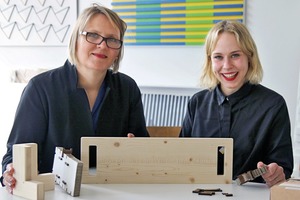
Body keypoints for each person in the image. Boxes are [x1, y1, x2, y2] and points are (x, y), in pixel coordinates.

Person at [1, 4, 149, 192]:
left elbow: (143, 147)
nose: (102, 45)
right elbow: (14, 156)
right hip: (53, 194)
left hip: (111, 192)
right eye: (93, 35)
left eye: (112, 39)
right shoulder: (40, 88)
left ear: (118, 50)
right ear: (76, 39)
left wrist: (136, 149)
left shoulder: (127, 89)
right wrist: (10, 172)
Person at [180, 20, 293, 187]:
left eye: (235, 55)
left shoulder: (273, 105)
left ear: (249, 57)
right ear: (210, 61)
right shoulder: (197, 103)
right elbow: (182, 159)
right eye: (218, 57)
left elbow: (283, 167)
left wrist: (276, 173)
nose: (227, 66)